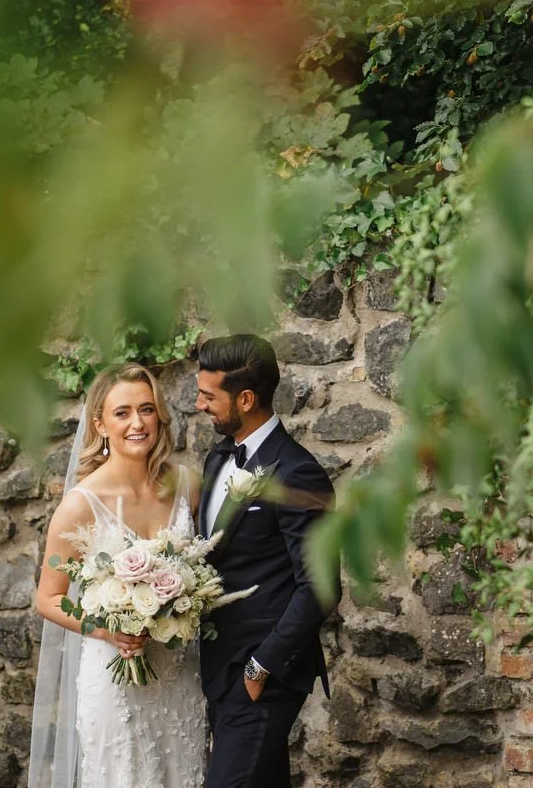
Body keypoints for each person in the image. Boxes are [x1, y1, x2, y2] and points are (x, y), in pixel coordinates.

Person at [30, 362, 206, 788]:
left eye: (146, 409)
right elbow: (47, 598)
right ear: (100, 424)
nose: (137, 423)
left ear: (159, 416)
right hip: (114, 677)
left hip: (178, 673)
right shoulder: (80, 504)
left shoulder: (188, 485)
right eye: (122, 412)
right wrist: (108, 629)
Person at [194, 333, 341, 788]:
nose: (199, 405)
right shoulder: (218, 456)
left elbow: (320, 587)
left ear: (245, 398)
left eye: (207, 395)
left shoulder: (298, 472)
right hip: (220, 670)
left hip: (262, 676)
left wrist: (261, 669)